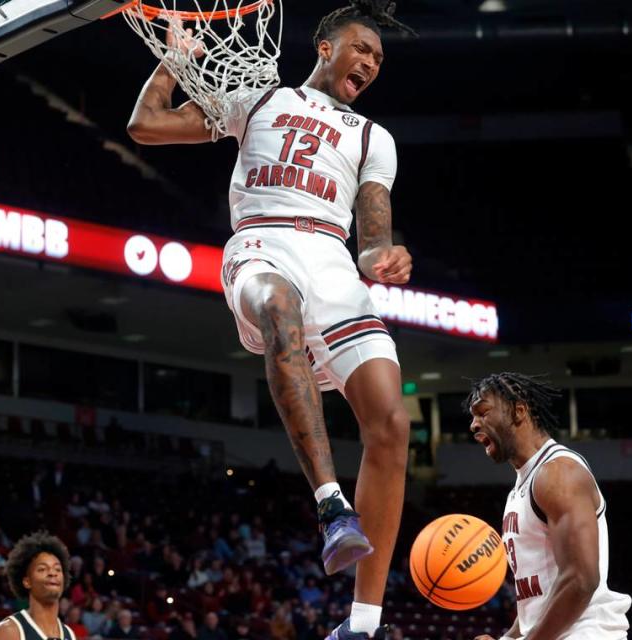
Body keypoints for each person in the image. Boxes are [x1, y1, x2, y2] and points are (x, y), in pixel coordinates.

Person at [127, 1, 415, 635]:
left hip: (333, 261)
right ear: (324, 48)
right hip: (262, 243)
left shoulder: (374, 138)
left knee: (393, 424)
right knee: (278, 310)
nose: (369, 61)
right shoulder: (258, 101)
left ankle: (361, 625)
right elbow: (146, 124)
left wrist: (382, 257)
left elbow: (369, 234)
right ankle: (331, 507)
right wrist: (175, 59)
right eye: (360, 48)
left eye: (378, 57)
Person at [466, 373, 631, 640]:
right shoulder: (519, 490)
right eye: (472, 417)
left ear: (518, 410)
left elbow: (581, 580)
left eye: (483, 412)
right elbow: (538, 598)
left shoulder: (558, 473)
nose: (474, 425)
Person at [0, 531, 77, 640]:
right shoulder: (9, 632)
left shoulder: (70, 635)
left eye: (57, 569)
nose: (53, 573)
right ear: (27, 582)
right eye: (42, 569)